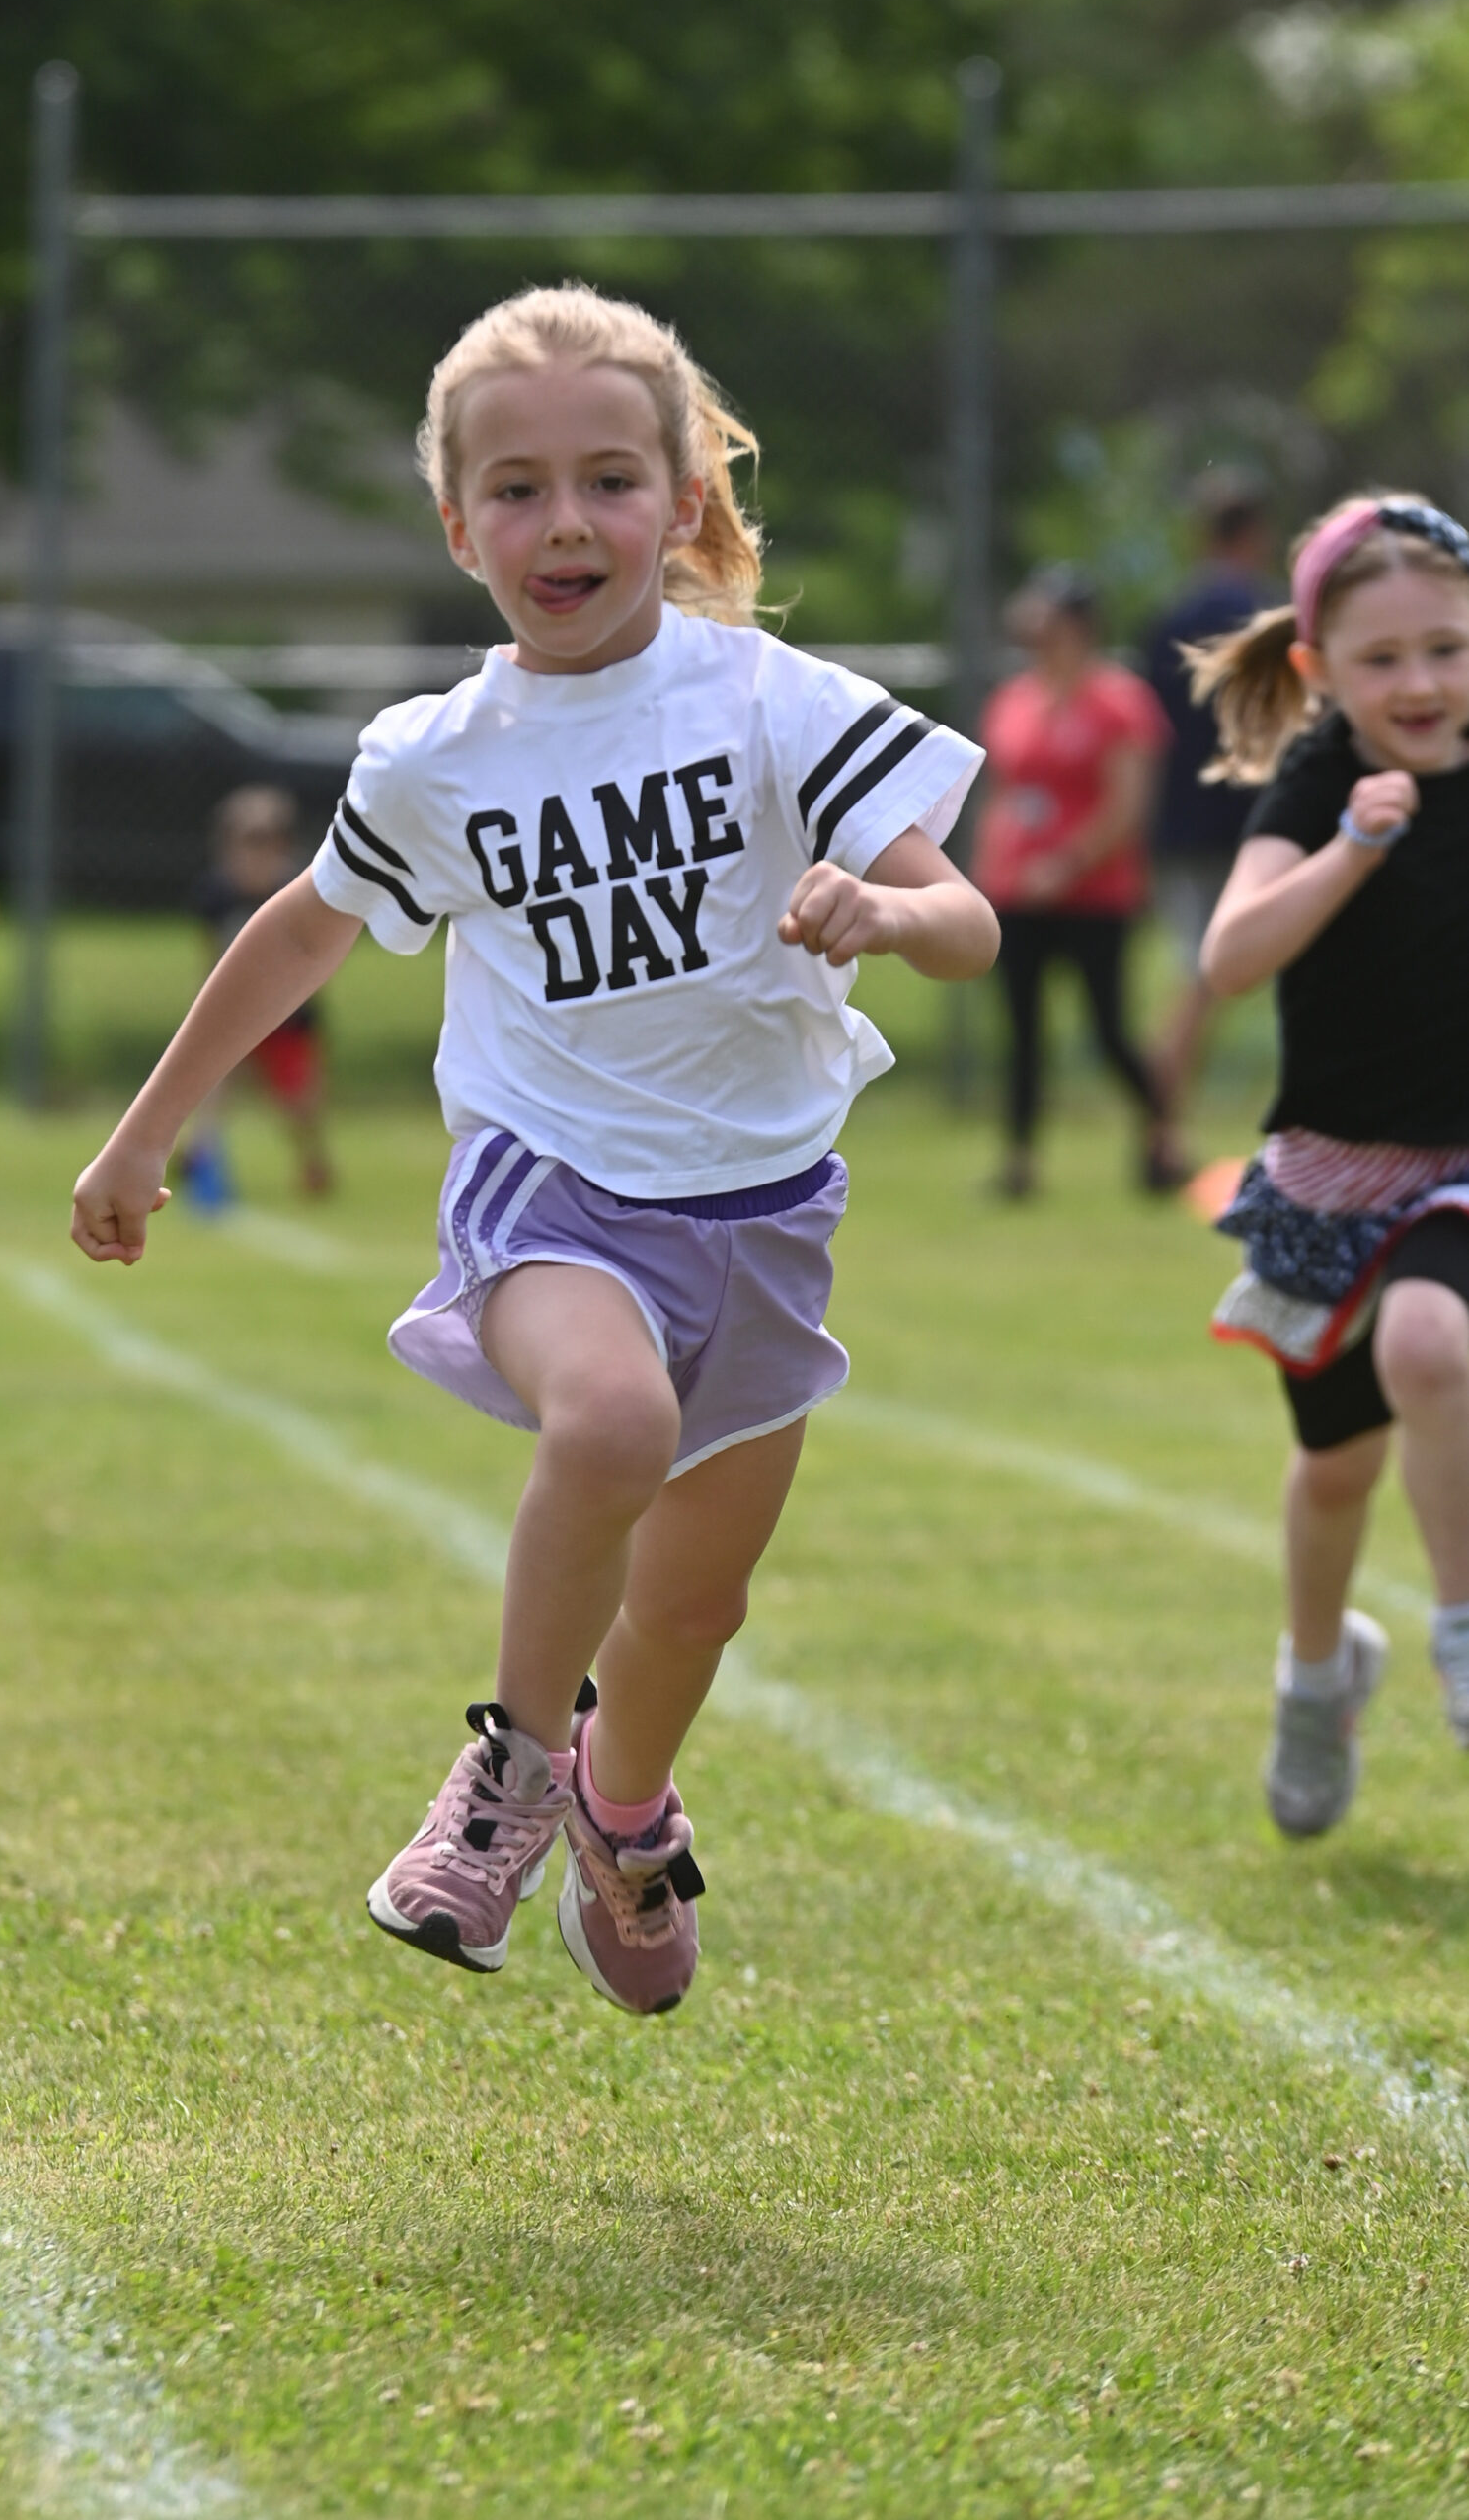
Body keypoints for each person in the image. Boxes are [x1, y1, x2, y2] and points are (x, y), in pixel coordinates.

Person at [69, 284, 995, 2015]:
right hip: (549, 1188)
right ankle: (503, 1776)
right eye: (515, 489)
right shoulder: (437, 757)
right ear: (456, 526)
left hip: (762, 1217)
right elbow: (301, 930)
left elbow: (970, 925)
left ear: (684, 501)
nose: (564, 522)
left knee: (694, 1612)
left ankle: (619, 1812)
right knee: (612, 1420)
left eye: (607, 481)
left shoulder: (775, 702)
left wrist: (884, 908)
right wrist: (145, 1134)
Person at [1195, 494, 1469, 1839]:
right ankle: (1315, 1677)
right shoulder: (1316, 785)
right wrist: (1355, 846)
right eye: (1381, 659)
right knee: (1337, 1465)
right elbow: (1229, 958)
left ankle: (1458, 1630)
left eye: (1445, 648)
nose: (1418, 682)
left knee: (1429, 1343)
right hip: (1335, 1173)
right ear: (1316, 670)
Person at [972, 563, 1182, 1198]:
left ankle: (1162, 1136)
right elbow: (1001, 793)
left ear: (1081, 626)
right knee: (1022, 1032)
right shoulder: (1015, 699)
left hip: (1096, 896)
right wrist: (989, 872)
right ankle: (1018, 1163)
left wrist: (1065, 865)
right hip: (1017, 893)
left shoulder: (1119, 701)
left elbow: (1128, 803)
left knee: (1109, 1032)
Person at [1143, 472, 1275, 1134]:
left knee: (1198, 973)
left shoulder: (1171, 618)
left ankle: (1160, 1118)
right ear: (1254, 535)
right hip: (1249, 824)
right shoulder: (1264, 616)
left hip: (1177, 819)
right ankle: (1158, 1119)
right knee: (1209, 977)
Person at [181, 784, 335, 1200]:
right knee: (213, 1083)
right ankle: (201, 1155)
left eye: (264, 842)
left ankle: (314, 1160)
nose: (252, 854)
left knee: (297, 1102)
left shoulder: (295, 891)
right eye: (244, 842)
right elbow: (211, 954)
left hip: (287, 1015)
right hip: (234, 1011)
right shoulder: (218, 893)